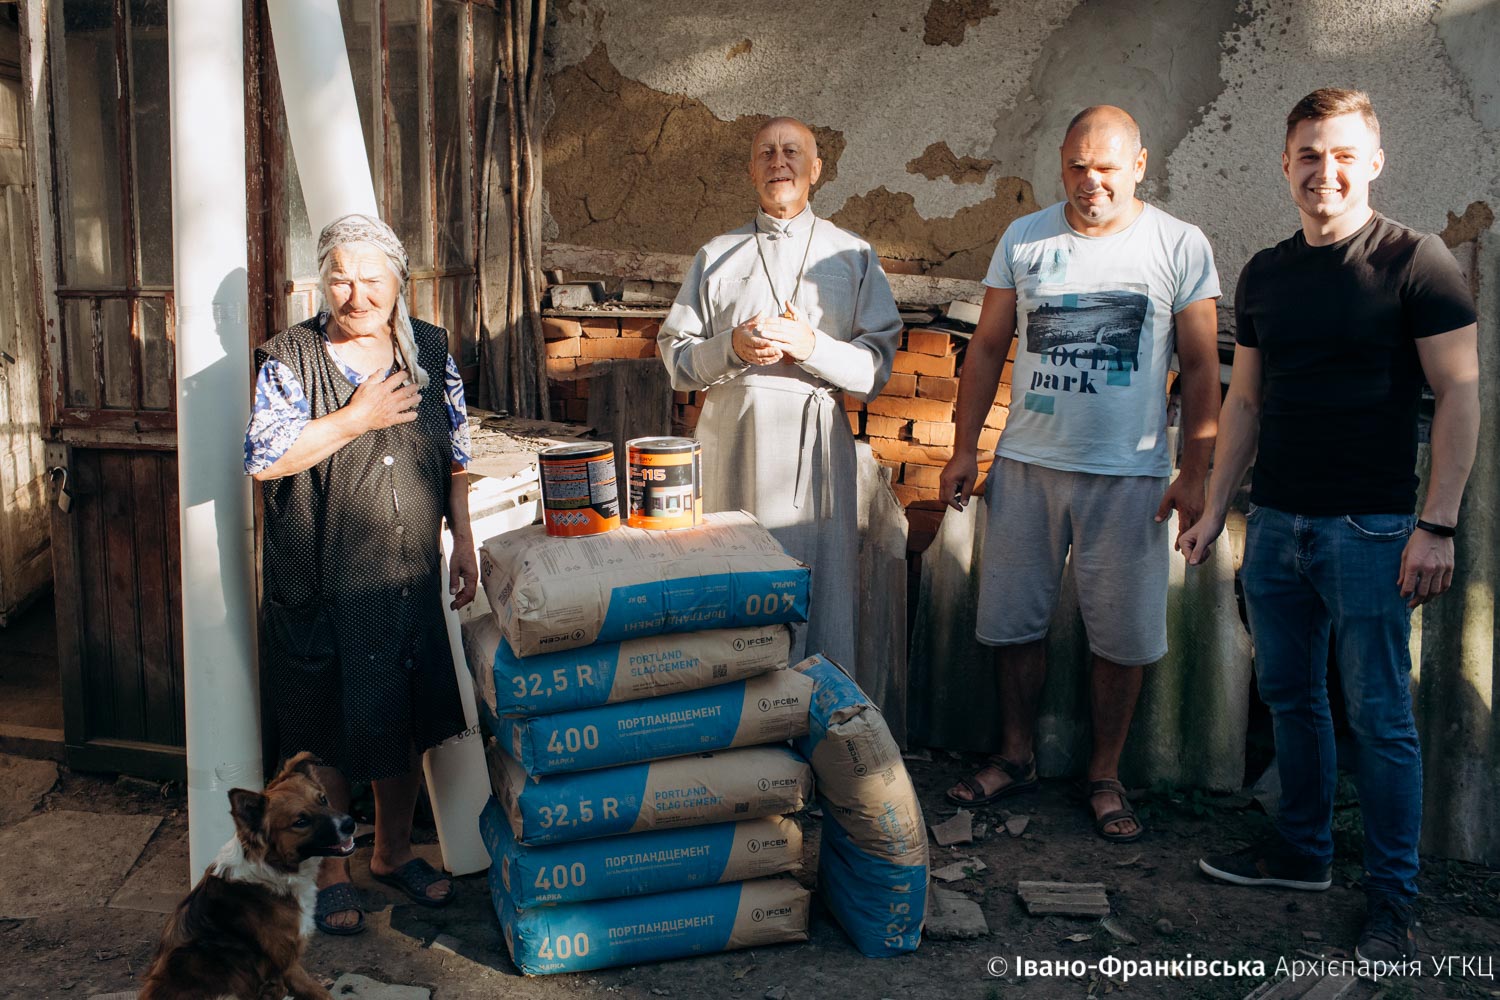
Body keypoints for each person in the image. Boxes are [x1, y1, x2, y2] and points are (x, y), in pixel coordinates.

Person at [1181, 89, 1478, 962]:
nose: (1326, 171)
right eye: (1309, 154)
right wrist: (1213, 506)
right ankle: (1302, 853)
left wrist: (1439, 523)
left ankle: (1394, 899)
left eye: (1344, 154)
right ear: (1285, 165)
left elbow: (1460, 392)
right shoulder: (1267, 272)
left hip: (1376, 528)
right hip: (1276, 523)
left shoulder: (1417, 263)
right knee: (1291, 699)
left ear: (1375, 162)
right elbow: (1247, 400)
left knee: (1381, 718)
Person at [938, 107, 1222, 842]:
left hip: (1130, 477)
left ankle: (1104, 773)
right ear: (1060, 163)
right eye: (1076, 165)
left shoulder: (1178, 245)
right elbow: (989, 346)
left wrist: (1197, 471)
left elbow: (1199, 368)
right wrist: (966, 447)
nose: (1090, 180)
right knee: (1012, 621)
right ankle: (1015, 755)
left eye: (1106, 166)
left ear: (1139, 164)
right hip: (1029, 466)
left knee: (1121, 635)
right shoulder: (1024, 237)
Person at [244, 213, 479, 935]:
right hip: (321, 578)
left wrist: (462, 537)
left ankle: (393, 852)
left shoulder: (430, 348)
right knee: (329, 725)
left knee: (403, 718)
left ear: (396, 283)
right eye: (341, 278)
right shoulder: (292, 355)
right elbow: (266, 457)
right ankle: (336, 868)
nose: (356, 294)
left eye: (371, 278)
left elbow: (459, 450)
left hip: (404, 573)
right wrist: (356, 417)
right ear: (321, 282)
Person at [657, 116, 903, 669]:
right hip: (731, 441)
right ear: (751, 171)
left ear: (816, 170)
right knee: (729, 578)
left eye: (792, 152)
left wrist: (812, 345)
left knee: (819, 588)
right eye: (765, 153)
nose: (778, 162)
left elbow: (875, 370)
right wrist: (732, 347)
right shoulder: (716, 254)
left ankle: (820, 719)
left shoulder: (852, 255)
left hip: (813, 449)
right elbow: (676, 359)